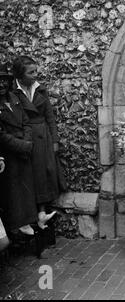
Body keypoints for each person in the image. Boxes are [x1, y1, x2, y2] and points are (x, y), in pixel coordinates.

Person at [12, 56, 60, 230]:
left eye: (35, 71)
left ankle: (42, 212)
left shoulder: (40, 89)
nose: (35, 75)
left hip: (42, 136)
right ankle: (31, 216)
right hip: (25, 137)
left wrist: (54, 140)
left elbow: (49, 116)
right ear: (19, 75)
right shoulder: (12, 92)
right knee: (28, 175)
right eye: (30, 72)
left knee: (44, 173)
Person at [0, 63, 37, 238]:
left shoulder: (14, 99)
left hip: (24, 150)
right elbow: (2, 136)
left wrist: (27, 141)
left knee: (26, 190)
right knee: (13, 193)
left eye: (5, 81)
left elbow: (26, 122)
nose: (2, 85)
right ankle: (16, 227)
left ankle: (28, 222)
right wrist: (23, 146)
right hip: (9, 155)